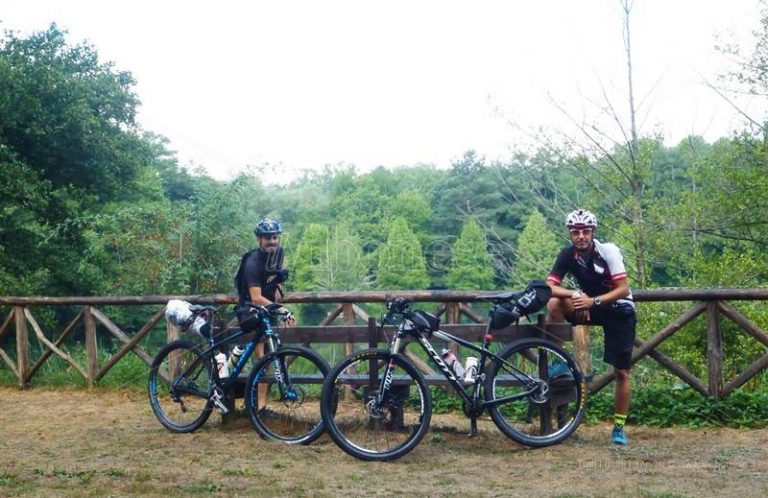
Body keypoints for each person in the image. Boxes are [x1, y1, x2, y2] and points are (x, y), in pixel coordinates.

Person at [545, 208, 636, 445]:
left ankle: (619, 427)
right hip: (590, 305)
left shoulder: (609, 251)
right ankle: (559, 363)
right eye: (576, 232)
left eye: (585, 231)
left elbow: (623, 288)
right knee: (555, 303)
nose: (581, 236)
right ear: (570, 234)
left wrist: (592, 300)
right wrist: (575, 293)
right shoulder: (567, 255)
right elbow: (549, 286)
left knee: (622, 372)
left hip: (619, 309)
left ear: (593, 232)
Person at [234, 218, 295, 413]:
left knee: (269, 358)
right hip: (250, 310)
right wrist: (282, 309)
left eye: (275, 237)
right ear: (259, 239)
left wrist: (278, 287)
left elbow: (273, 289)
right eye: (267, 238)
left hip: (267, 311)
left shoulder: (276, 257)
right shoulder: (253, 261)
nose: (272, 241)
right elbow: (256, 297)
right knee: (263, 359)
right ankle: (257, 406)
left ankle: (257, 405)